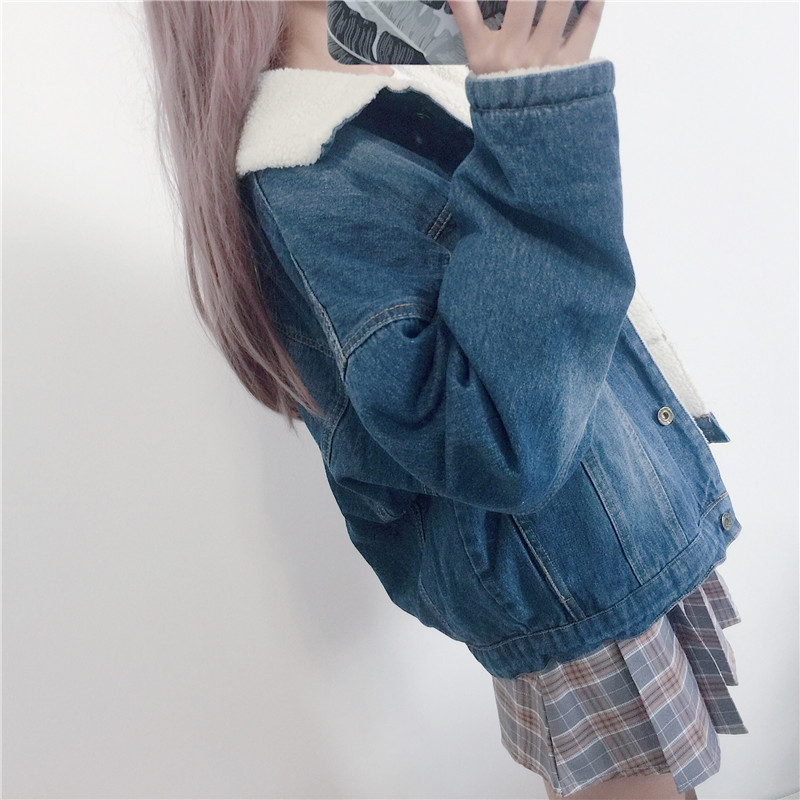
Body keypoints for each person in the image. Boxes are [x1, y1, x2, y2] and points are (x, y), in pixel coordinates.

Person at [141, 1, 748, 797]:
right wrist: (537, 120)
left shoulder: (377, 114)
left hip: (599, 546)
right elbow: (495, 435)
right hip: (574, 579)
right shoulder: (309, 177)